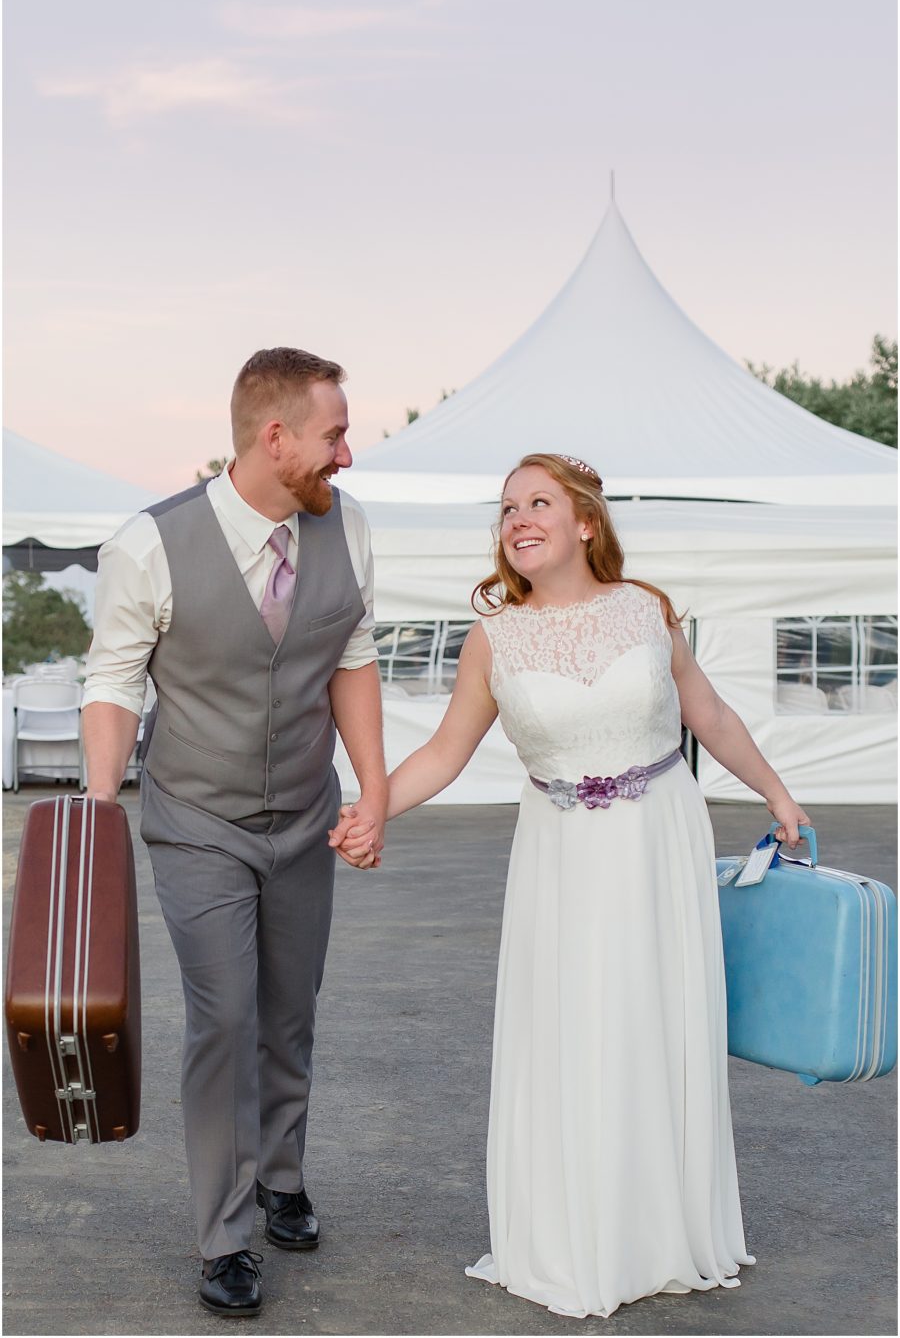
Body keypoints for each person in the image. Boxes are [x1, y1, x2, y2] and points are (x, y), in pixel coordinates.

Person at [331, 451, 811, 1321]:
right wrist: (374, 810)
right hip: (559, 856)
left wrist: (778, 794)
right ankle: (576, 1234)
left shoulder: (648, 612)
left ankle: (663, 1228)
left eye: (538, 502)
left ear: (585, 522)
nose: (518, 518)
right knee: (575, 1029)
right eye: (507, 507)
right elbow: (444, 752)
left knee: (655, 1023)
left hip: (658, 841)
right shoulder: (493, 639)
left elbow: (710, 716)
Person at [82, 347, 387, 1318]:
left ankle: (281, 1174)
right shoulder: (151, 543)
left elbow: (353, 658)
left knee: (290, 1009)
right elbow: (112, 680)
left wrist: (373, 791)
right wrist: (96, 815)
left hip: (303, 815)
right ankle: (223, 1234)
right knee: (225, 1016)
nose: (348, 451)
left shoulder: (351, 532)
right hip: (198, 822)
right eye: (335, 432)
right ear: (276, 437)